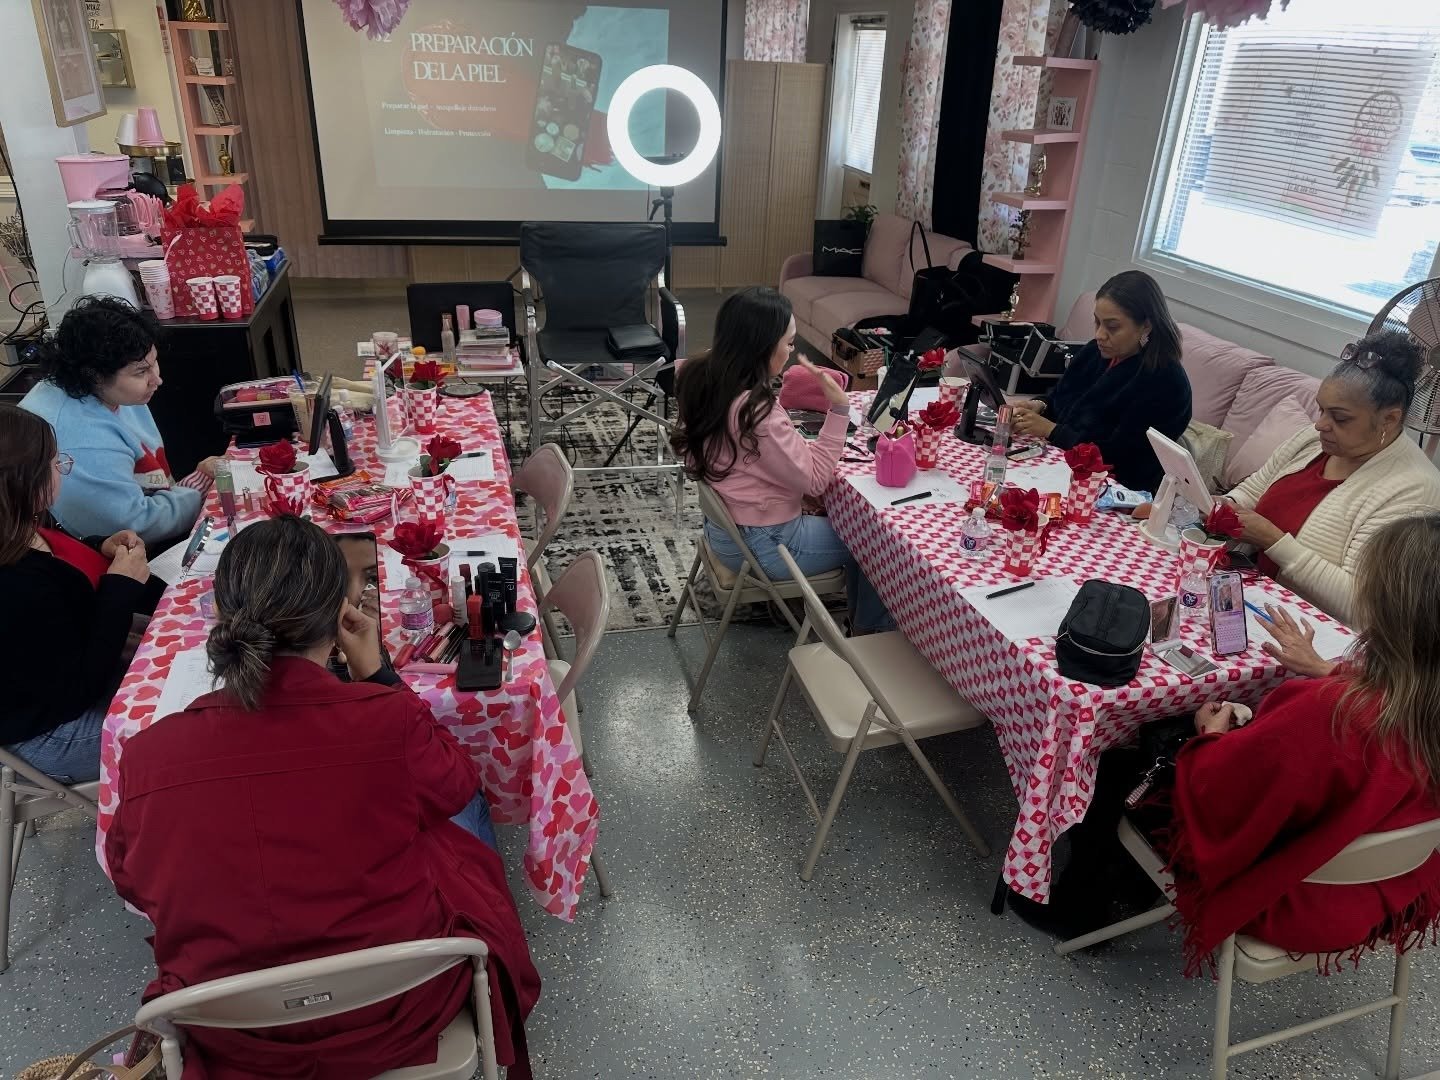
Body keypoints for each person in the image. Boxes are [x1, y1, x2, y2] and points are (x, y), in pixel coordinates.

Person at [105, 516, 541, 1079]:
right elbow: (456, 789)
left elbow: (130, 879)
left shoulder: (149, 756)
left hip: (238, 1030)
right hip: (400, 1004)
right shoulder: (385, 722)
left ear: (222, 619)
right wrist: (380, 676)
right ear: (339, 616)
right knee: (452, 816)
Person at [1018, 516, 1440, 971]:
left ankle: (1079, 909)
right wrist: (1327, 670)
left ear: (1387, 610)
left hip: (1290, 892)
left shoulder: (1327, 714)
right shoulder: (1406, 701)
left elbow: (1216, 793)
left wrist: (1212, 735)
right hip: (1395, 889)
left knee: (1114, 760)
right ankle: (1128, 879)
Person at [670, 286, 892, 632]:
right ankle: (870, 640)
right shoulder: (757, 413)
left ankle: (860, 623)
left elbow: (768, 462)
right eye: (789, 343)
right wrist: (839, 409)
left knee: (848, 520)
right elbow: (817, 479)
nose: (792, 352)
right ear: (762, 346)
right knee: (878, 543)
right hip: (766, 545)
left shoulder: (700, 376)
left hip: (725, 533)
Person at [1218, 331, 1440, 625]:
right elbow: (1253, 490)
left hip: (1311, 635)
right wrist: (1220, 507)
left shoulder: (1415, 490)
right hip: (1251, 598)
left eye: (1340, 418)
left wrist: (1273, 540)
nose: (1320, 425)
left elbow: (1359, 606)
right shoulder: (1313, 442)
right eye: (1321, 410)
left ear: (1390, 419)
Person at [0, 405, 156, 782]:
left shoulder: (18, 526)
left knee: (188, 641)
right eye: (55, 463)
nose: (62, 469)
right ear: (23, 480)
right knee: (196, 724)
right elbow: (78, 689)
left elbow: (54, 562)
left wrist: (97, 546)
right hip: (53, 732)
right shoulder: (15, 583)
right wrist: (119, 589)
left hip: (66, 682)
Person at [20, 297, 222, 548]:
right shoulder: (79, 441)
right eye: (141, 372)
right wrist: (201, 487)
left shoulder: (108, 391)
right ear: (94, 376)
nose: (157, 379)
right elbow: (133, 527)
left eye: (154, 362)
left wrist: (196, 483)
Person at [1009, 270, 1192, 492]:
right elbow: (1060, 398)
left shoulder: (1165, 382)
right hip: (1060, 465)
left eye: (1112, 327)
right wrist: (1039, 406)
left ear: (1146, 325)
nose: (1100, 334)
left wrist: (1052, 431)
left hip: (1117, 490)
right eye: (1097, 323)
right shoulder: (1095, 352)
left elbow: (1122, 457)